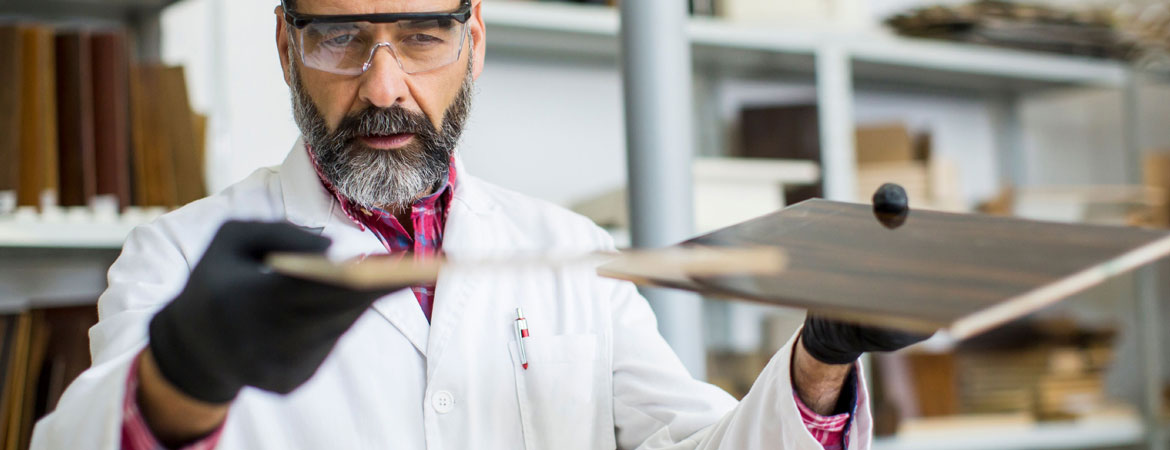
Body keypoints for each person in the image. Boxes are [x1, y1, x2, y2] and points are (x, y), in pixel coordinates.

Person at [32, 1, 927, 448]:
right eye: (341, 38)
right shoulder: (179, 254)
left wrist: (818, 361)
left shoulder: (572, 252)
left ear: (475, 43)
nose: (383, 87)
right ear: (283, 48)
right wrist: (180, 378)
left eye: (422, 36)